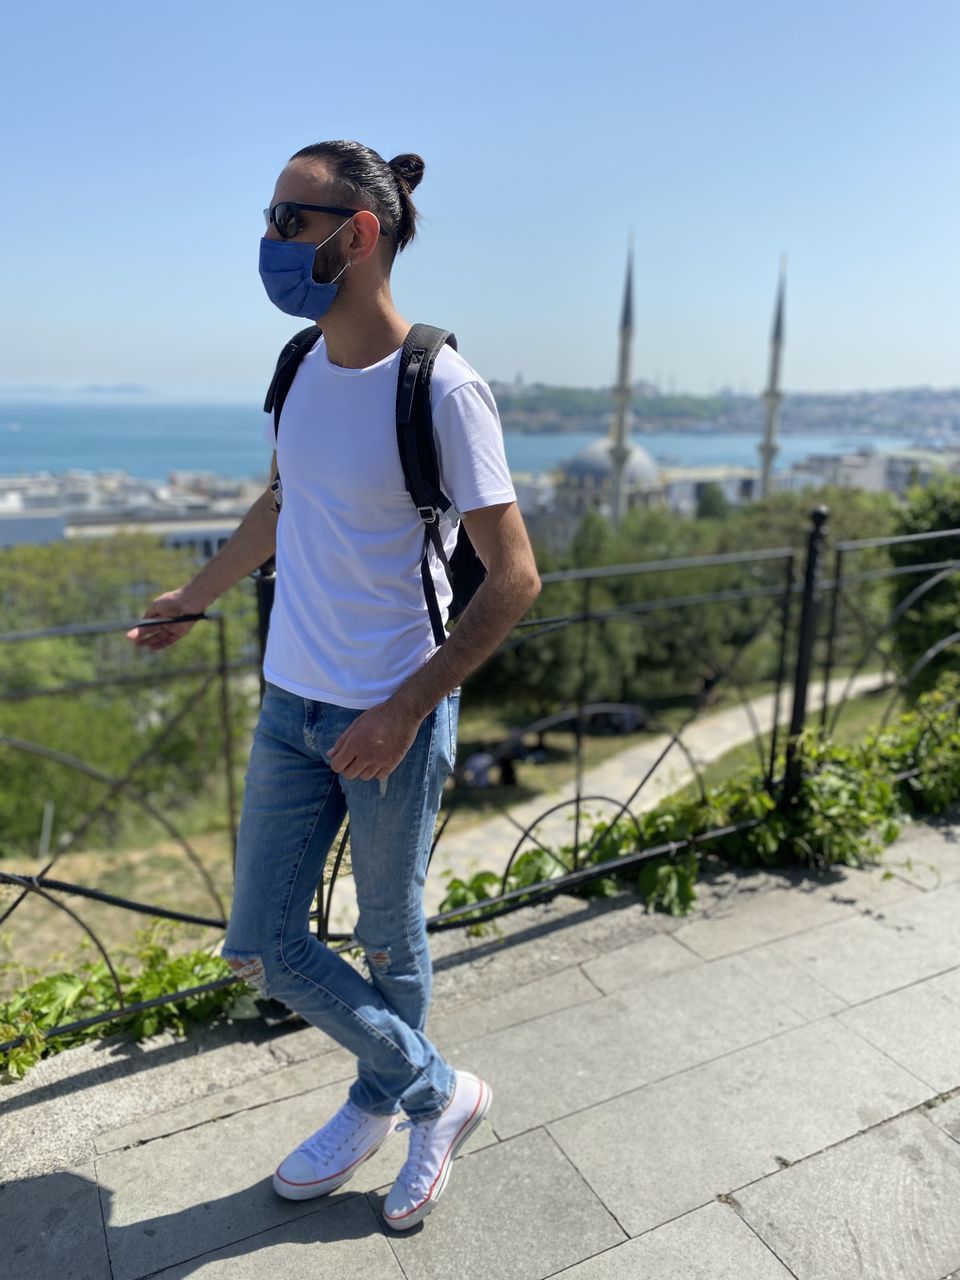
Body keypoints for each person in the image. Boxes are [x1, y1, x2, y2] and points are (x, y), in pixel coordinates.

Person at [126, 139, 541, 1231]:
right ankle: (432, 1091)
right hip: (288, 703)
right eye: (268, 216)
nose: (269, 240)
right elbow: (282, 505)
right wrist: (196, 594)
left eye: (287, 219)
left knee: (389, 935)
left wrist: (406, 707)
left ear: (356, 236)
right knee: (264, 941)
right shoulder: (298, 367)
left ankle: (382, 1097)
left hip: (390, 712)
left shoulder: (444, 386)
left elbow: (516, 577)